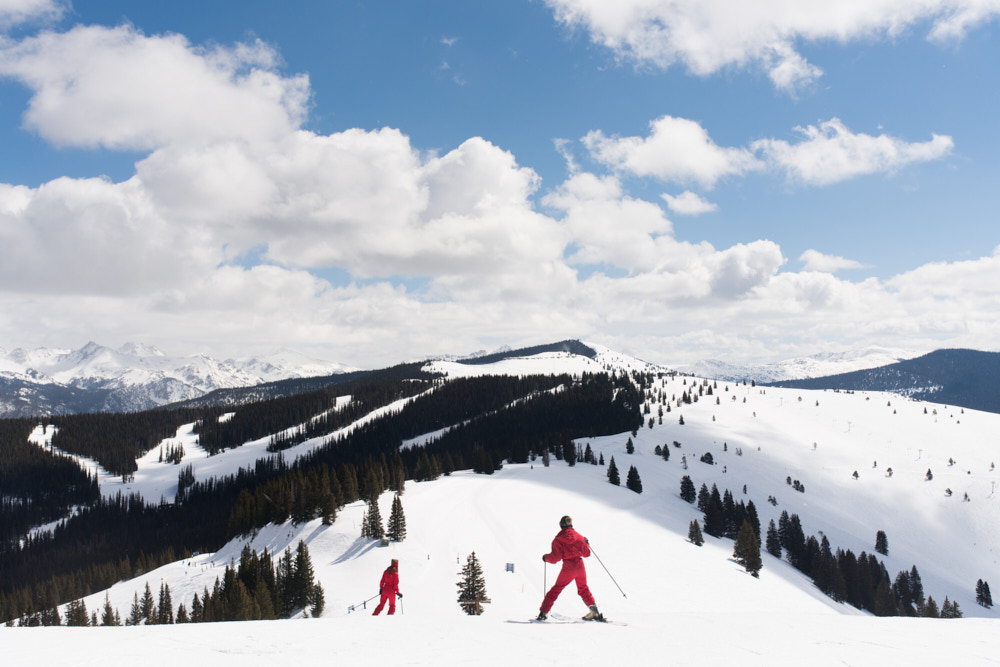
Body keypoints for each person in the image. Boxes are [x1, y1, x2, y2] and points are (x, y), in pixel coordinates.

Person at [537, 515, 601, 621]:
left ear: (561, 525)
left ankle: (544, 612)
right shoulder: (579, 537)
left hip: (568, 567)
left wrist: (545, 558)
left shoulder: (558, 539)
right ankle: (594, 611)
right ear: (571, 524)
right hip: (580, 565)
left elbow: (555, 558)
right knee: (583, 588)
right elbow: (587, 554)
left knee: (556, 589)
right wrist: (586, 544)